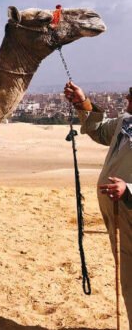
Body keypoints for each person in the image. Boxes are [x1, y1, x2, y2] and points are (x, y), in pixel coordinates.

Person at [64, 81, 132, 325]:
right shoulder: (125, 122)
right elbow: (99, 131)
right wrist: (82, 103)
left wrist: (128, 190)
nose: (127, 98)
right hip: (119, 216)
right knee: (128, 279)